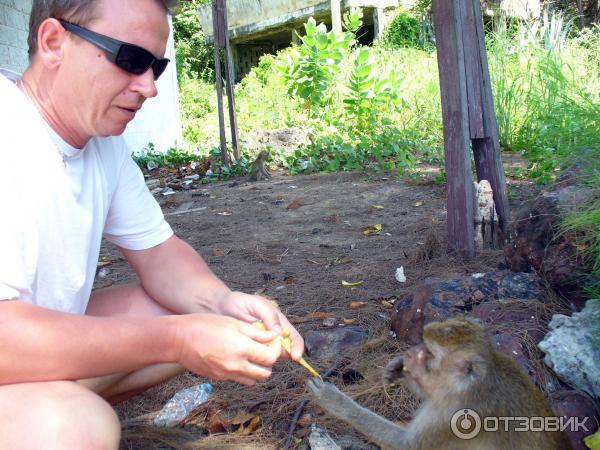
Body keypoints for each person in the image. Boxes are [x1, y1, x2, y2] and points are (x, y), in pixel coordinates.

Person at [0, 0, 304, 448]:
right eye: (131, 60)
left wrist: (223, 302)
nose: (148, 87)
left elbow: (160, 253)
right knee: (78, 427)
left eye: (156, 67)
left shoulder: (101, 143)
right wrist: (178, 340)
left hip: (26, 352)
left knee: (194, 309)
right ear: (53, 42)